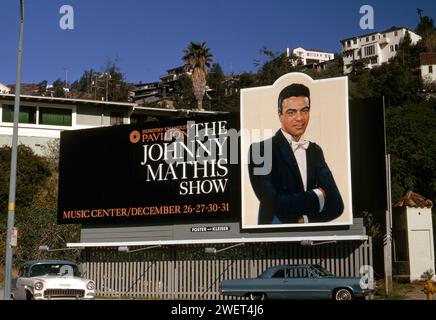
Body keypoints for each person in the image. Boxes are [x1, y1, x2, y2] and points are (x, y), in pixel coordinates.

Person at [248, 83, 344, 224]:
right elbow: (273, 203)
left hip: (311, 237)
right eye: (291, 112)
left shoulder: (315, 151)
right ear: (280, 115)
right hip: (274, 236)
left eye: (304, 110)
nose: (300, 118)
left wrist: (306, 220)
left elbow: (337, 205)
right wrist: (317, 195)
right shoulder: (260, 150)